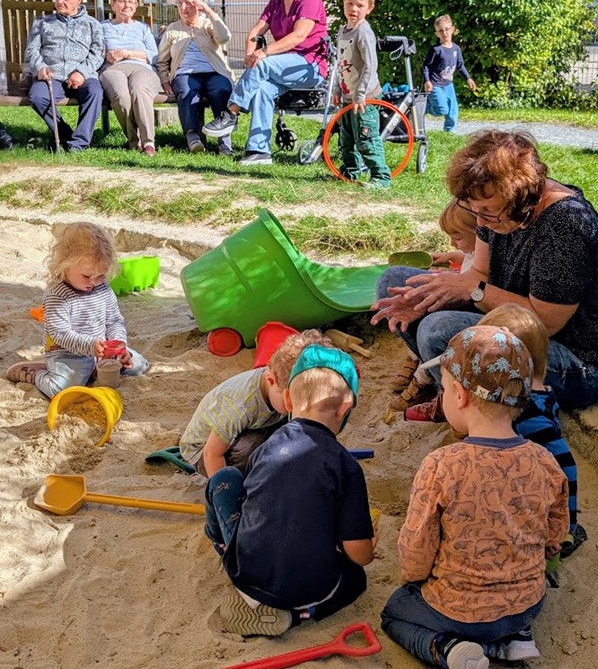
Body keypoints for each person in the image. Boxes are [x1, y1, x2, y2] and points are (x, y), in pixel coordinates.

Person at [371, 129, 598, 420]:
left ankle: (458, 394)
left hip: (573, 360)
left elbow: (542, 324)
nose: (479, 222)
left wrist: (469, 290)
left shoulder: (565, 226)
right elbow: (479, 272)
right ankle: (447, 381)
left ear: (520, 199)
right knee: (395, 283)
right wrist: (441, 290)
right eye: (473, 209)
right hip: (511, 317)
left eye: (486, 212)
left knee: (438, 329)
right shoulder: (497, 205)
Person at [381, 325, 569, 669]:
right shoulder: (544, 460)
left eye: (444, 388)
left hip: (459, 612)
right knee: (507, 613)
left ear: (461, 396)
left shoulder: (441, 464)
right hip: (527, 603)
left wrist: (413, 580)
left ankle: (447, 648)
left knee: (394, 613)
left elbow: (416, 549)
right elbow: (555, 534)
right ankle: (513, 639)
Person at [203, 344, 375, 637]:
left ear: (287, 399)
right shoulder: (346, 467)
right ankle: (301, 615)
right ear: (345, 409)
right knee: (356, 579)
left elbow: (252, 501)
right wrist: (368, 546)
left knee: (226, 478)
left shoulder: (264, 448)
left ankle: (221, 544)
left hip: (245, 571)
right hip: (307, 587)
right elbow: (358, 554)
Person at [478, 304, 586, 568]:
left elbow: (566, 468)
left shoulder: (528, 416)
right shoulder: (537, 393)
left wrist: (564, 527)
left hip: (535, 502)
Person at [202, 0, 328, 166]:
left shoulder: (310, 1)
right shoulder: (276, 2)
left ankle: (231, 114)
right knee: (262, 90)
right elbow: (256, 31)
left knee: (263, 62)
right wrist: (249, 55)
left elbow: (298, 36)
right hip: (284, 66)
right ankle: (259, 152)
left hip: (310, 65)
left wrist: (263, 52)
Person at [6, 222, 149, 397]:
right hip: (68, 354)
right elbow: (61, 335)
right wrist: (90, 346)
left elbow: (114, 320)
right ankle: (36, 373)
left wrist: (120, 345)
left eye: (101, 275)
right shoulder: (57, 296)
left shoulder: (103, 288)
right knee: (61, 390)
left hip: (101, 351)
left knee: (140, 365)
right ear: (65, 264)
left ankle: (93, 372)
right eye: (87, 276)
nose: (94, 282)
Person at [179, 328, 332, 477]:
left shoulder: (282, 389)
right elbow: (211, 454)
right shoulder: (241, 405)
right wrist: (224, 489)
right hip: (204, 452)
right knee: (251, 446)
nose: (296, 407)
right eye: (291, 401)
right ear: (271, 380)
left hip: (253, 426)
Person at [388, 198, 477, 417]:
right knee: (399, 286)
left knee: (433, 325)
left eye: (457, 237)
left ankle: (429, 381)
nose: (451, 243)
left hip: (472, 310)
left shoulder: (489, 256)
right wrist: (455, 258)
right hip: (466, 297)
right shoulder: (474, 253)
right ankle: (416, 355)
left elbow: (472, 289)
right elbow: (470, 258)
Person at [24, 0, 105, 152]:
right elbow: (32, 51)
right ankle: (66, 134)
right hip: (51, 75)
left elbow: (98, 53)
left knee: (95, 93)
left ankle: (79, 143)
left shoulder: (93, 24)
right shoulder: (42, 23)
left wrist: (82, 72)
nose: (60, 1)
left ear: (79, 0)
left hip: (83, 76)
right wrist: (40, 68)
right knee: (38, 97)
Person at [155, 0, 234, 156]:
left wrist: (210, 12)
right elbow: (161, 61)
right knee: (186, 91)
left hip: (214, 72)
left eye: (189, 3)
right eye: (180, 3)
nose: (184, 8)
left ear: (199, 5)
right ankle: (192, 137)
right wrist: (165, 80)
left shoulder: (208, 25)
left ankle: (224, 142)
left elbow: (224, 37)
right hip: (184, 74)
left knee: (221, 89)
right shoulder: (172, 30)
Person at [333, 0, 390, 189]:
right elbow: (341, 63)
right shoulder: (343, 30)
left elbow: (370, 66)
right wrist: (339, 88)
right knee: (347, 139)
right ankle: (350, 171)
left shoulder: (364, 32)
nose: (353, 9)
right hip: (348, 97)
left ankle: (381, 178)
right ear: (343, 2)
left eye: (360, 5)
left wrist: (360, 94)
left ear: (370, 8)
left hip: (366, 98)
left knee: (366, 138)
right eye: (350, 3)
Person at [99, 0, 161, 156]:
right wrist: (106, 55)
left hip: (141, 68)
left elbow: (153, 55)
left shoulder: (142, 29)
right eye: (121, 1)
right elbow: (94, 50)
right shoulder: (102, 27)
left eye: (130, 2)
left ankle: (149, 143)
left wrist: (127, 53)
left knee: (139, 90)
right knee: (122, 95)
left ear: (135, 5)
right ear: (112, 5)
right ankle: (134, 142)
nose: (126, 6)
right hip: (113, 68)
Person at [423, 14, 476, 134]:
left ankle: (449, 131)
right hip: (435, 84)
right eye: (441, 31)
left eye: (447, 29)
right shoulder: (436, 50)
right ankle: (425, 107)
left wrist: (468, 79)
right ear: (436, 33)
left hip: (448, 85)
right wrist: (427, 81)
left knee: (453, 109)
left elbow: (460, 65)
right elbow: (426, 66)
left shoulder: (456, 49)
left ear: (453, 29)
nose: (444, 33)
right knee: (442, 109)